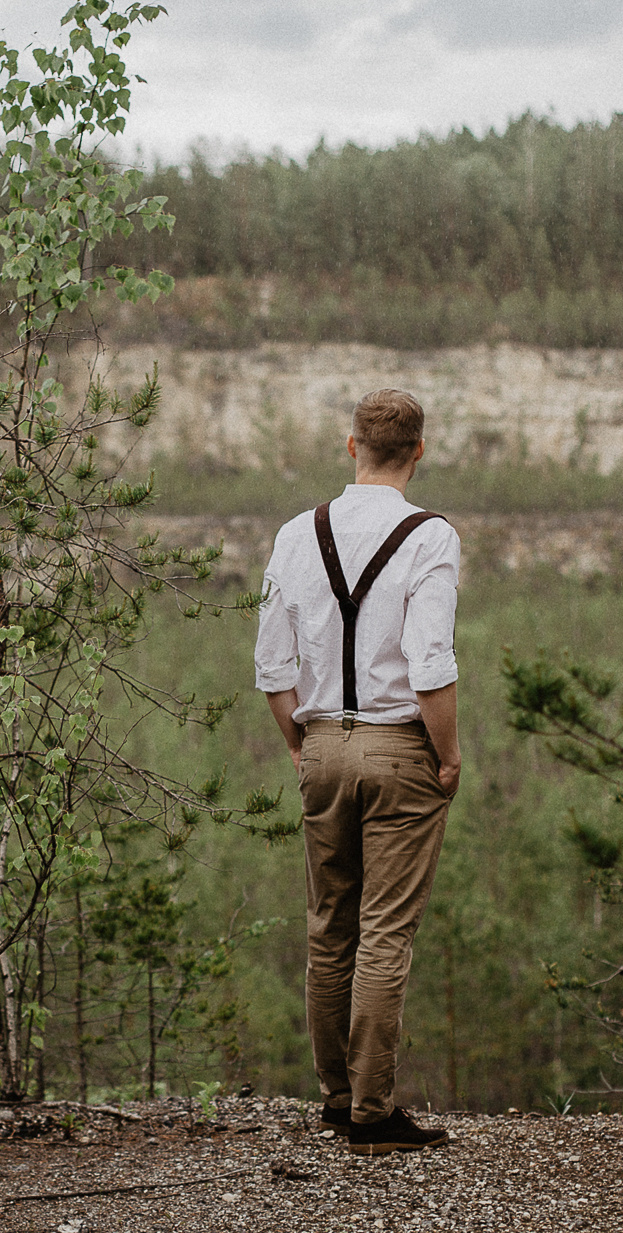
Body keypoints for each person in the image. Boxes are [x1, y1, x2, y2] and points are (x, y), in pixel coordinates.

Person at [254, 388, 459, 1155]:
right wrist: (449, 754)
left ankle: (336, 1097)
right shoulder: (431, 536)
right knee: (384, 934)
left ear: (351, 447)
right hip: (401, 745)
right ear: (417, 452)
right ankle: (374, 1110)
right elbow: (431, 662)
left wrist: (302, 745)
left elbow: (273, 666)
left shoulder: (295, 533)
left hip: (322, 743)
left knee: (327, 928)